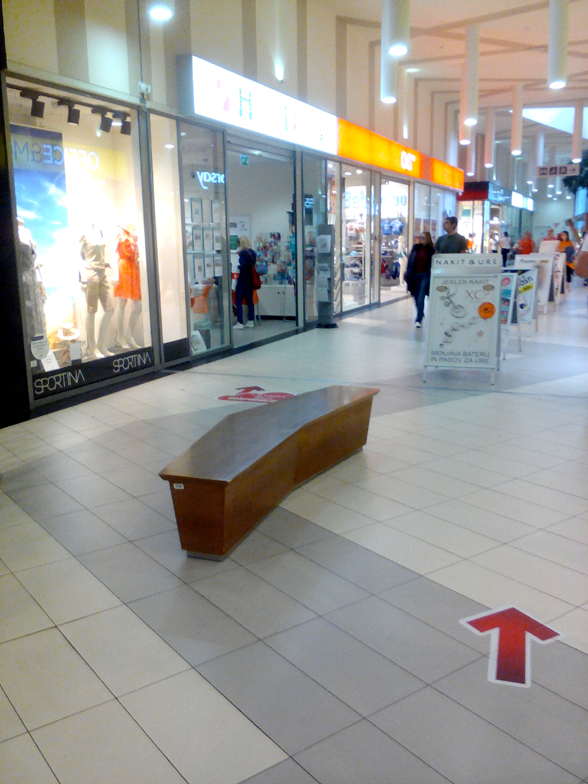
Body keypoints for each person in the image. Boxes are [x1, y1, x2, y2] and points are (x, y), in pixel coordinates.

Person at [404, 231, 435, 328]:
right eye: (420, 237)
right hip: (414, 275)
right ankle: (420, 312)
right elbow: (410, 261)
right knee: (415, 295)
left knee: (421, 296)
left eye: (423, 237)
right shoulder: (416, 248)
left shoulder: (431, 250)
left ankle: (418, 318)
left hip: (425, 275)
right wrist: (407, 272)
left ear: (428, 238)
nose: (421, 239)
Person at [234, 236, 257, 329]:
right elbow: (252, 265)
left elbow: (243, 266)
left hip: (243, 279)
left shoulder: (243, 253)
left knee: (238, 301)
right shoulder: (253, 252)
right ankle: (251, 320)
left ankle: (240, 321)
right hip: (250, 280)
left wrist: (239, 257)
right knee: (250, 301)